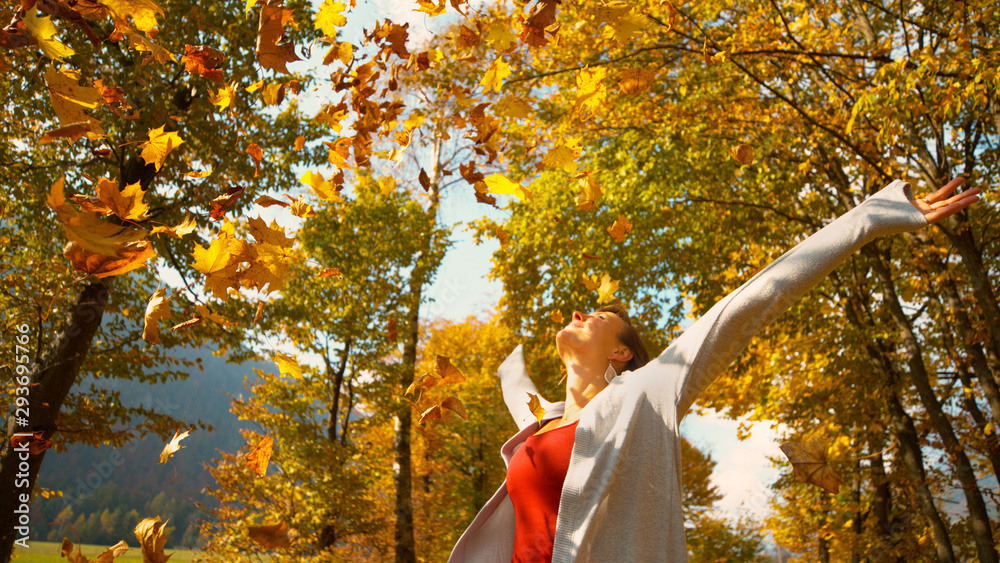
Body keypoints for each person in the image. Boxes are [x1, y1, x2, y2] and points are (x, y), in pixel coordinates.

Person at [447, 178, 982, 563]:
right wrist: (508, 368)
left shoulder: (645, 393)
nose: (579, 314)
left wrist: (872, 217)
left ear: (622, 354)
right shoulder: (541, 422)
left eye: (599, 317)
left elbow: (751, 302)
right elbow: (520, 393)